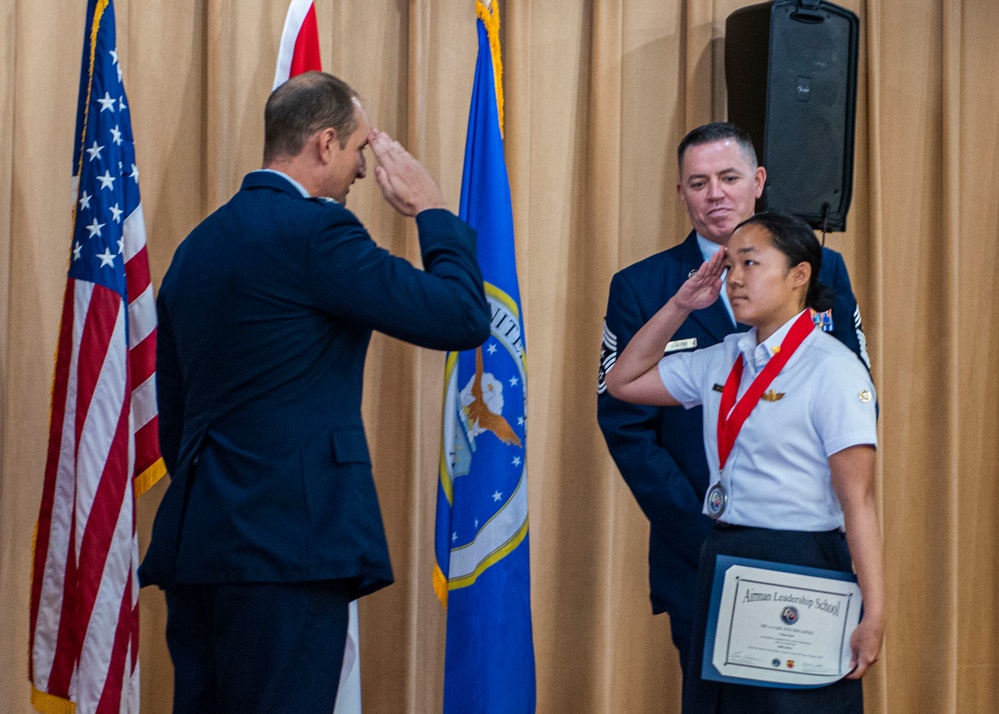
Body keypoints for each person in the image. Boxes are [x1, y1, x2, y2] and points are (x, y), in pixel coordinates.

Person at [138, 71, 490, 713]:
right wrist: (432, 210)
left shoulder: (197, 246)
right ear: (325, 144)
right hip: (288, 551)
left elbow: (176, 413)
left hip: (202, 544)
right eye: (360, 150)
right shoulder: (318, 234)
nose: (364, 171)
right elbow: (461, 317)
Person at [596, 122, 871, 673]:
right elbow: (626, 421)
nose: (715, 193)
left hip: (806, 541)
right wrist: (708, 530)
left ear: (758, 181)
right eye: (698, 183)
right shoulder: (644, 286)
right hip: (697, 547)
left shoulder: (821, 267)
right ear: (681, 194)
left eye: (728, 177)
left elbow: (857, 400)